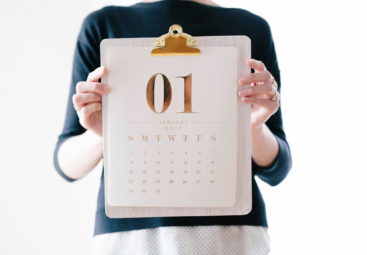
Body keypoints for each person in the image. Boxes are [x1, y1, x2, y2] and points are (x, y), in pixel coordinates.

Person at [53, 0, 292, 254]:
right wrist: (106, 132)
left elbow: (277, 168)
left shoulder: (252, 29)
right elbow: (66, 164)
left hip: (230, 235)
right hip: (132, 239)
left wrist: (253, 128)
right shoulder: (103, 27)